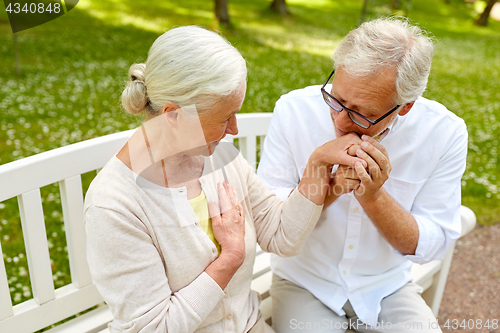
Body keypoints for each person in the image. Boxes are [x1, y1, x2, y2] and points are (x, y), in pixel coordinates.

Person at [84, 26, 367, 333]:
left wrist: (319, 169)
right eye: (224, 118)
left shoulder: (218, 159)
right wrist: (229, 258)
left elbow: (281, 236)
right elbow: (153, 328)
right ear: (174, 116)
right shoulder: (114, 206)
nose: (233, 129)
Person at [257, 17, 468, 333]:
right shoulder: (294, 111)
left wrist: (374, 197)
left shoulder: (443, 133)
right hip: (304, 279)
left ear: (405, 107)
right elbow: (269, 218)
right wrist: (328, 187)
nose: (341, 121)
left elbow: (433, 243)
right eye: (337, 100)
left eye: (362, 114)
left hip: (387, 285)